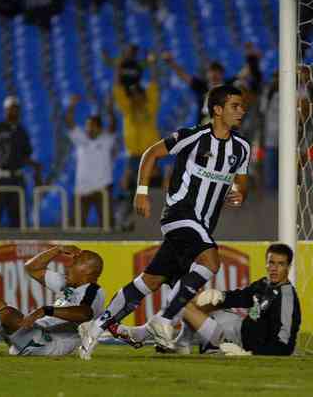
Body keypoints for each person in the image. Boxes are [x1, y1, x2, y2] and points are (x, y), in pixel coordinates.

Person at [78, 85, 250, 359]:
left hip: (202, 226)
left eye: (241, 106)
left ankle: (97, 328)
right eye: (235, 106)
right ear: (217, 110)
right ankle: (164, 320)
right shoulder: (192, 136)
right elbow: (151, 154)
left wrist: (239, 193)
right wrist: (142, 191)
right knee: (211, 262)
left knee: (150, 281)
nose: (241, 111)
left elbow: (242, 182)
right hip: (179, 214)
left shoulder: (242, 147)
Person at [116, 243, 301, 356]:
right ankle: (183, 342)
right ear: (266, 263)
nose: (274, 268)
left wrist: (250, 354)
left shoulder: (287, 297)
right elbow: (243, 297)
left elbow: (284, 346)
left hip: (240, 343)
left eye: (281, 264)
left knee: (184, 303)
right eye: (271, 263)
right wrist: (220, 296)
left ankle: (149, 336)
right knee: (196, 300)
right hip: (238, 327)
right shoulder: (265, 283)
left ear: (289, 266)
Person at [111, 51, 161, 231]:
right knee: (128, 189)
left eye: (138, 95)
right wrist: (118, 68)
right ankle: (126, 222)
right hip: (134, 158)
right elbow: (117, 90)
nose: (135, 98)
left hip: (152, 156)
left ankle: (153, 225)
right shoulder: (127, 109)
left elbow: (154, 84)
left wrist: (153, 65)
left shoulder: (151, 106)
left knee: (154, 190)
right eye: (132, 96)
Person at [162, 43, 262, 124]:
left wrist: (253, 57)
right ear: (207, 74)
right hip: (205, 127)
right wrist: (171, 63)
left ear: (222, 74)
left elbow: (245, 72)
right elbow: (184, 76)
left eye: (217, 72)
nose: (214, 75)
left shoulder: (229, 85)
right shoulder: (202, 86)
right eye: (211, 72)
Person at [0, 96, 42, 228]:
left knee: (17, 218)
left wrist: (35, 166)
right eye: (10, 108)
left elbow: (25, 155)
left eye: (16, 108)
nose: (13, 111)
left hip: (17, 178)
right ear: (5, 110)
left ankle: (15, 247)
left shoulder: (22, 131)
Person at [65, 93, 117, 229]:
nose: (89, 128)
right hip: (82, 189)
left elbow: (113, 125)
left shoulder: (106, 140)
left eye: (92, 126)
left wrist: (110, 109)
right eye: (87, 125)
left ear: (100, 128)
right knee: (76, 227)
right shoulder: (81, 139)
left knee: (107, 226)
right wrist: (71, 106)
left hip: (102, 188)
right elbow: (69, 124)